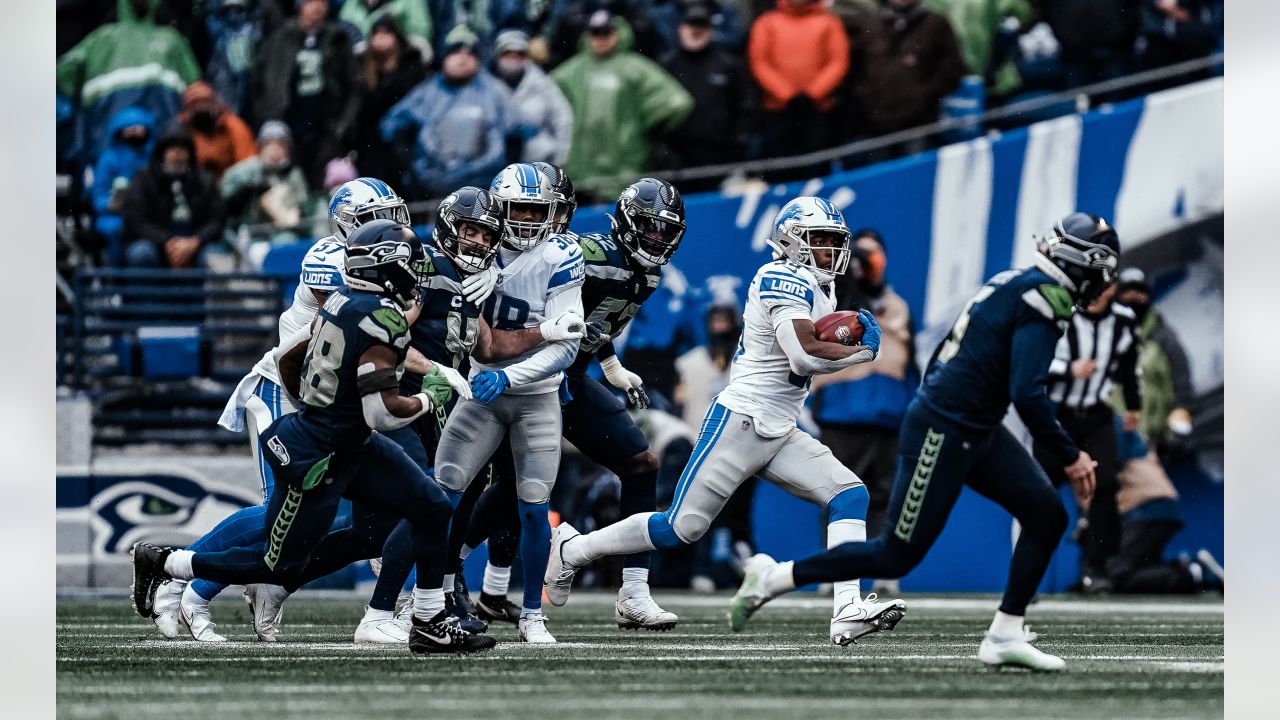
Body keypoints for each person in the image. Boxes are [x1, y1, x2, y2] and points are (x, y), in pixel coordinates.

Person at [728, 211, 1122, 671]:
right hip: (946, 427)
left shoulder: (1018, 281)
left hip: (973, 424)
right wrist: (1071, 456)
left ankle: (1005, 634)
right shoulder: (1045, 298)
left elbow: (946, 352)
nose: (1103, 280)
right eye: (1101, 268)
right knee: (896, 555)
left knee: (1046, 514)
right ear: (1081, 263)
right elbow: (1027, 392)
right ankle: (773, 578)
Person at [545, 196, 906, 648]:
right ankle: (573, 549)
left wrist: (849, 351)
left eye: (835, 241)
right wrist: (860, 353)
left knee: (850, 494)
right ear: (791, 241)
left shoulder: (821, 288)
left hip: (779, 426)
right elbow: (801, 355)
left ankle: (847, 610)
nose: (829, 251)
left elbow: (806, 356)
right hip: (742, 420)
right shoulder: (779, 276)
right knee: (682, 527)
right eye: (819, 240)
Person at [131, 219, 500, 655]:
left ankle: (427, 619)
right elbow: (382, 414)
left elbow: (289, 358)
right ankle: (166, 563)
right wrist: (429, 397)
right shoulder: (383, 320)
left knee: (433, 506)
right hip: (323, 450)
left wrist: (314, 401)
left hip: (352, 440)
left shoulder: (339, 301)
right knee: (276, 561)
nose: (413, 274)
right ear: (385, 267)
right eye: (406, 264)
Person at [145, 178, 411, 642]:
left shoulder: (391, 264)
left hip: (330, 402)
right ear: (349, 225)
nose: (390, 229)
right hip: (285, 393)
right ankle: (177, 578)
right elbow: (362, 329)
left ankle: (269, 587)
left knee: (349, 518)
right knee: (280, 515)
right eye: (376, 220)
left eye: (393, 217)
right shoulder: (330, 260)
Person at [433, 163, 586, 644]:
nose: (524, 219)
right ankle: (427, 600)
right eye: (516, 208)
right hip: (479, 389)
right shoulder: (477, 243)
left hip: (533, 395)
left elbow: (567, 345)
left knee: (534, 508)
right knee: (444, 494)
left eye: (534, 210)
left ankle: (531, 613)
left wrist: (507, 376)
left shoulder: (561, 254)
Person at [812, 230, 918, 584]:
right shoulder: (834, 297)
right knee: (838, 493)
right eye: (861, 255)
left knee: (886, 494)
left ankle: (883, 569)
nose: (867, 262)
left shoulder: (898, 305)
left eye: (874, 255)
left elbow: (912, 362)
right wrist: (848, 271)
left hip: (888, 414)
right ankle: (834, 571)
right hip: (842, 412)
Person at [1037, 273, 1142, 593]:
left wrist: (1134, 405)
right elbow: (1035, 361)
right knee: (1037, 488)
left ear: (1112, 289)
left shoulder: (1123, 321)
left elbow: (1128, 365)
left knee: (1106, 485)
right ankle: (1028, 566)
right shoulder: (1062, 313)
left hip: (1096, 415)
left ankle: (1097, 566)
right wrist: (1069, 370)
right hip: (1057, 415)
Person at [551, 10, 693, 200]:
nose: (601, 38)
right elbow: (543, 102)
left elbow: (676, 102)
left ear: (618, 33)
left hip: (625, 167)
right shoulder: (571, 71)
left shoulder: (635, 67)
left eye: (606, 32)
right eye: (595, 33)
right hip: (580, 169)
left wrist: (652, 130)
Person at [57, 0, 201, 172]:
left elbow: (198, 99)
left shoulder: (173, 41)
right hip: (109, 164)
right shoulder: (99, 42)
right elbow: (57, 90)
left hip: (164, 165)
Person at [379, 26, 508, 197]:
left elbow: (519, 130)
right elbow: (390, 125)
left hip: (485, 186)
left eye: (470, 53)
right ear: (445, 57)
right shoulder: (426, 92)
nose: (463, 58)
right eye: (456, 51)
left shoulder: (495, 91)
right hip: (433, 188)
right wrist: (411, 165)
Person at [1105, 415, 1223, 595]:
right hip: (1149, 505)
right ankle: (1190, 571)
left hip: (1147, 506)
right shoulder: (1112, 422)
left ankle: (1193, 573)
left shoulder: (1107, 425)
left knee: (1114, 576)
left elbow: (1108, 468)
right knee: (1138, 568)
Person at [247, 0, 360, 187]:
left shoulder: (338, 38)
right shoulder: (279, 38)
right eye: (310, 2)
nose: (316, 8)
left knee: (327, 185)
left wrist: (344, 124)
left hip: (325, 130)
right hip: (286, 129)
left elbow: (355, 86)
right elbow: (257, 82)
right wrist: (266, 116)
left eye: (322, 2)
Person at [842, 0, 966, 142]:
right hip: (876, 122)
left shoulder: (935, 24)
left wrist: (924, 96)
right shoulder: (872, 25)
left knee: (918, 161)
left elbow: (952, 68)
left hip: (918, 122)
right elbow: (855, 68)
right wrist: (865, 97)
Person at [659, 2, 756, 179]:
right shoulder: (666, 65)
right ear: (681, 28)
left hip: (719, 155)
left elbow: (745, 106)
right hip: (679, 157)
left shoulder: (728, 64)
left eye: (701, 25)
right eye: (691, 25)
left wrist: (738, 143)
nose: (696, 30)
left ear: (711, 30)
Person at [1112, 268, 1196, 460]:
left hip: (1153, 442)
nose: (1133, 297)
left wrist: (1175, 434)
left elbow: (1183, 392)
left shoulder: (1165, 338)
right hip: (1114, 439)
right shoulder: (1106, 337)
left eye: (1139, 292)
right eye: (1127, 292)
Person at [747, 0, 848, 160]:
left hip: (818, 110)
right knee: (781, 166)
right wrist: (787, 95)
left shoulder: (829, 22)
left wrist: (812, 94)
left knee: (817, 164)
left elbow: (838, 61)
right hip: (778, 111)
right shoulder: (767, 23)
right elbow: (759, 62)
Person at [120, 129, 226, 269]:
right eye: (171, 150)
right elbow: (135, 220)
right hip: (156, 241)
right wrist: (168, 242)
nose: (176, 155)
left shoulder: (204, 181)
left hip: (196, 241)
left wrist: (195, 242)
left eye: (182, 150)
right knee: (141, 253)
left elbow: (217, 220)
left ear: (190, 155)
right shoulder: (143, 179)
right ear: (161, 154)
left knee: (214, 256)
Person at [219, 121, 319, 267]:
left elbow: (304, 210)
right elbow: (225, 205)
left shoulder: (294, 175)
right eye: (269, 144)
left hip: (283, 233)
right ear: (260, 147)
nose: (274, 149)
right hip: (249, 233)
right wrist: (249, 190)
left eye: (280, 144)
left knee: (289, 245)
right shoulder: (242, 172)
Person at [349, 16, 430, 185]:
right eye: (377, 34)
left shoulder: (411, 63)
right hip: (370, 142)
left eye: (386, 33)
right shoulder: (361, 66)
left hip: (403, 138)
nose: (381, 38)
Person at [491, 29, 574, 166]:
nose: (512, 59)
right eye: (507, 54)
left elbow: (562, 119)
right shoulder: (487, 85)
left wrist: (559, 160)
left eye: (518, 54)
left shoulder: (543, 84)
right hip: (494, 169)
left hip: (537, 165)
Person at [89, 107, 157, 267]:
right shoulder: (109, 159)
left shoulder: (154, 157)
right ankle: (116, 278)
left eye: (139, 127)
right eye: (130, 128)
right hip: (117, 217)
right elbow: (98, 195)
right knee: (114, 230)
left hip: (149, 216)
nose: (135, 132)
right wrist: (109, 204)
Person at [174, 81, 256, 183]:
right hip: (194, 186)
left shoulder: (233, 125)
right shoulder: (179, 129)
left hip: (229, 185)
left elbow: (247, 162)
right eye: (196, 103)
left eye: (206, 102)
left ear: (214, 104)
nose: (202, 107)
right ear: (188, 108)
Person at [340, 0, 435, 58]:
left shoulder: (409, 2)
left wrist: (398, 40)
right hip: (366, 60)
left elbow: (421, 38)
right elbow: (345, 25)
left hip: (403, 56)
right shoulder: (352, 4)